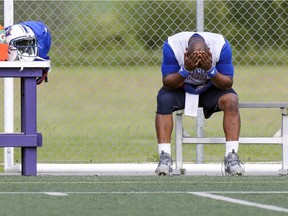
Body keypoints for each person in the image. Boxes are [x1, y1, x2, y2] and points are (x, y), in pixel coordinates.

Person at [155, 31, 244, 176]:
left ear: (209, 50)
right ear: (186, 52)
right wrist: (185, 70)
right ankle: (164, 157)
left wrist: (210, 69)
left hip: (211, 87)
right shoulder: (172, 45)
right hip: (181, 87)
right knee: (163, 99)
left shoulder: (221, 45)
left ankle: (231, 157)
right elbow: (168, 83)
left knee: (231, 100)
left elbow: (227, 83)